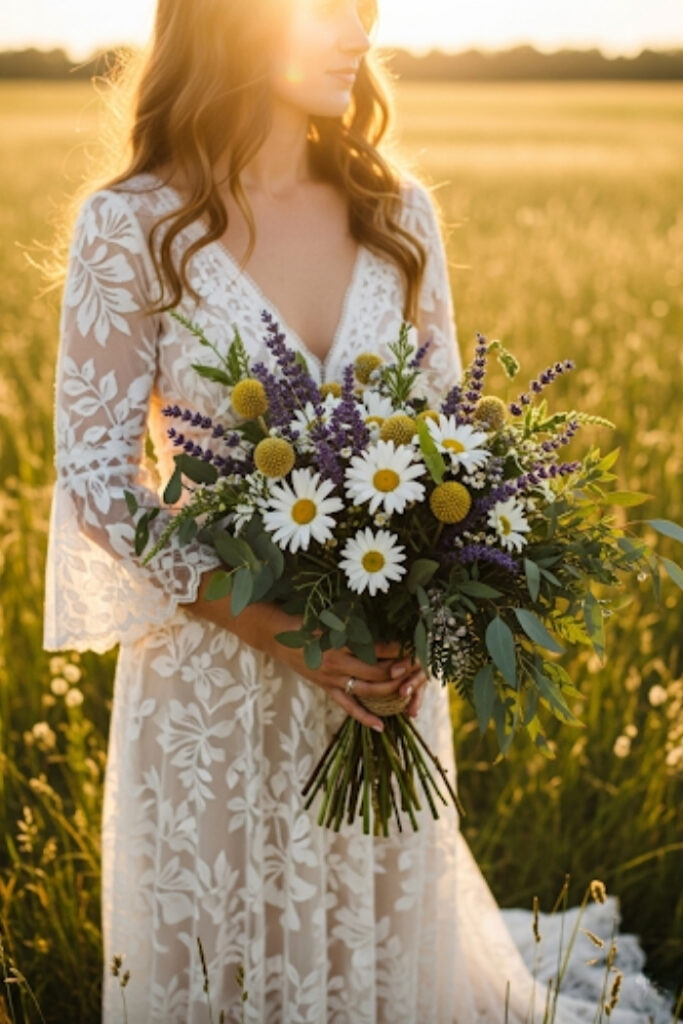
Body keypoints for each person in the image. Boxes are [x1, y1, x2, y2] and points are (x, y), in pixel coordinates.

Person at [44, 1, 673, 1021]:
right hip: (215, 690)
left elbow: (447, 448)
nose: (355, 31)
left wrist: (424, 624)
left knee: (375, 963)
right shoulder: (132, 225)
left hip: (380, 681)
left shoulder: (397, 213)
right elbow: (97, 479)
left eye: (362, 8)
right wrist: (275, 628)